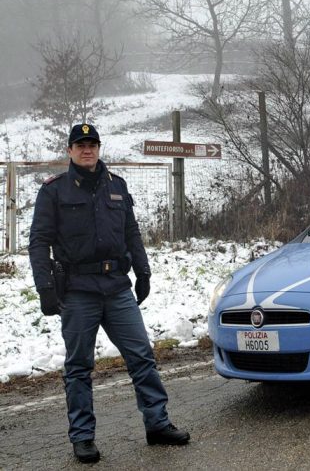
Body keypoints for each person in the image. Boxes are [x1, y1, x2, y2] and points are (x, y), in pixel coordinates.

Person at [28, 123, 190, 463]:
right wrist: (44, 287)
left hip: (117, 287)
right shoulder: (54, 191)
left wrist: (143, 272)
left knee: (142, 357)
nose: (87, 149)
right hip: (78, 291)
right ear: (70, 151)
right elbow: (39, 242)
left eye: (93, 144)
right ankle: (83, 437)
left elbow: (131, 232)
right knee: (78, 366)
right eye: (80, 144)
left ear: (99, 148)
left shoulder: (116, 185)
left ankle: (157, 425)